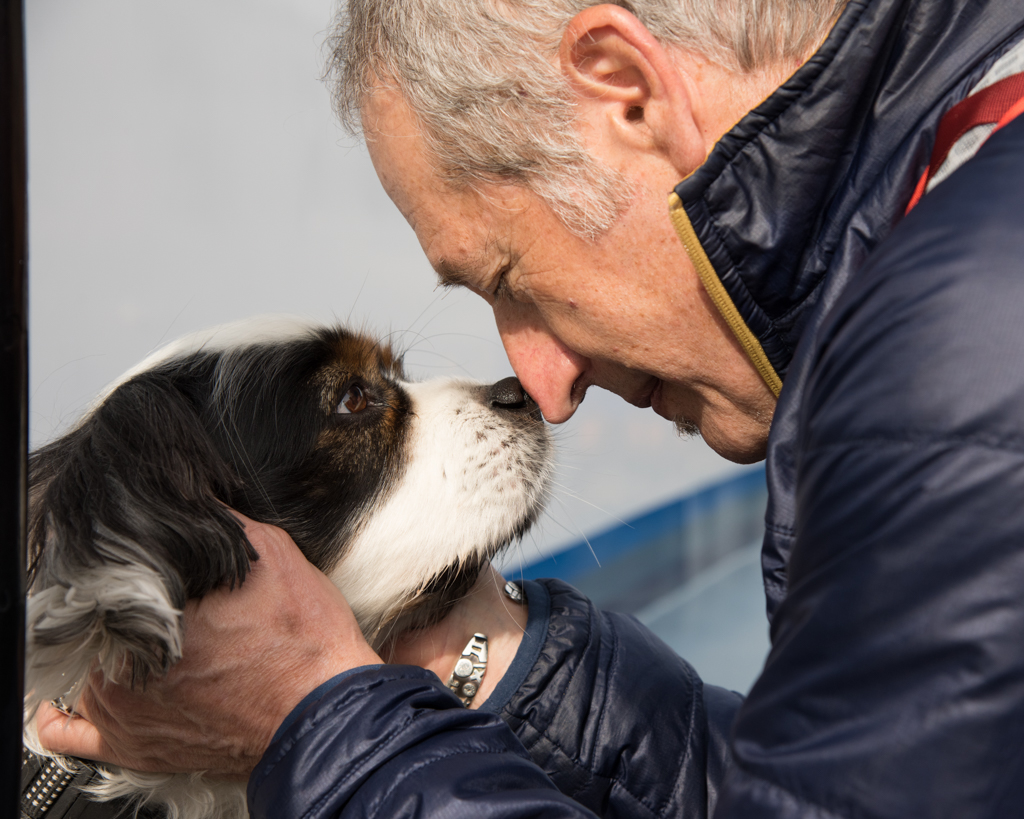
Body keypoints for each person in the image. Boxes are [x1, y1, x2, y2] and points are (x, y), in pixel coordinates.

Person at [37, 0, 1024, 815]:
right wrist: (490, 664)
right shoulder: (961, 210)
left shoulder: (958, 354)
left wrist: (321, 718)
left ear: (625, 90)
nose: (542, 390)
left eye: (511, 277)